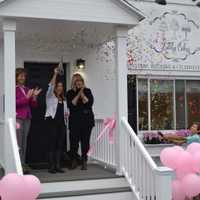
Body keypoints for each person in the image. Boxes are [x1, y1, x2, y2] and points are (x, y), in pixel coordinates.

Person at [67, 73, 95, 170]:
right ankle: (74, 160)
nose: (78, 83)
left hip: (87, 121)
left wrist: (82, 92)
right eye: (76, 81)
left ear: (83, 82)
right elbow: (72, 104)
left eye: (80, 81)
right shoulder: (70, 93)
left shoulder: (88, 91)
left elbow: (88, 103)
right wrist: (78, 93)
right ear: (74, 83)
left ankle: (84, 161)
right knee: (74, 142)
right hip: (74, 121)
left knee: (85, 142)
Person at [16, 68, 42, 171]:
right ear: (16, 77)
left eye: (24, 76)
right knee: (18, 142)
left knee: (24, 142)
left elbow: (33, 105)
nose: (23, 77)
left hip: (27, 118)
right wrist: (27, 97)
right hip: (18, 118)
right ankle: (18, 164)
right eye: (20, 75)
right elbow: (15, 103)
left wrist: (34, 97)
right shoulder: (14, 89)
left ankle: (23, 163)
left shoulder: (27, 89)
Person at [45, 67, 68, 173]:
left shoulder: (64, 99)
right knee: (52, 144)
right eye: (58, 86)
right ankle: (51, 166)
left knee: (60, 144)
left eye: (61, 86)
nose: (59, 88)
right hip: (52, 123)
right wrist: (55, 74)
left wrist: (67, 114)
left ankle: (58, 166)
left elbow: (65, 112)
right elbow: (51, 86)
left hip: (61, 124)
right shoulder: (50, 96)